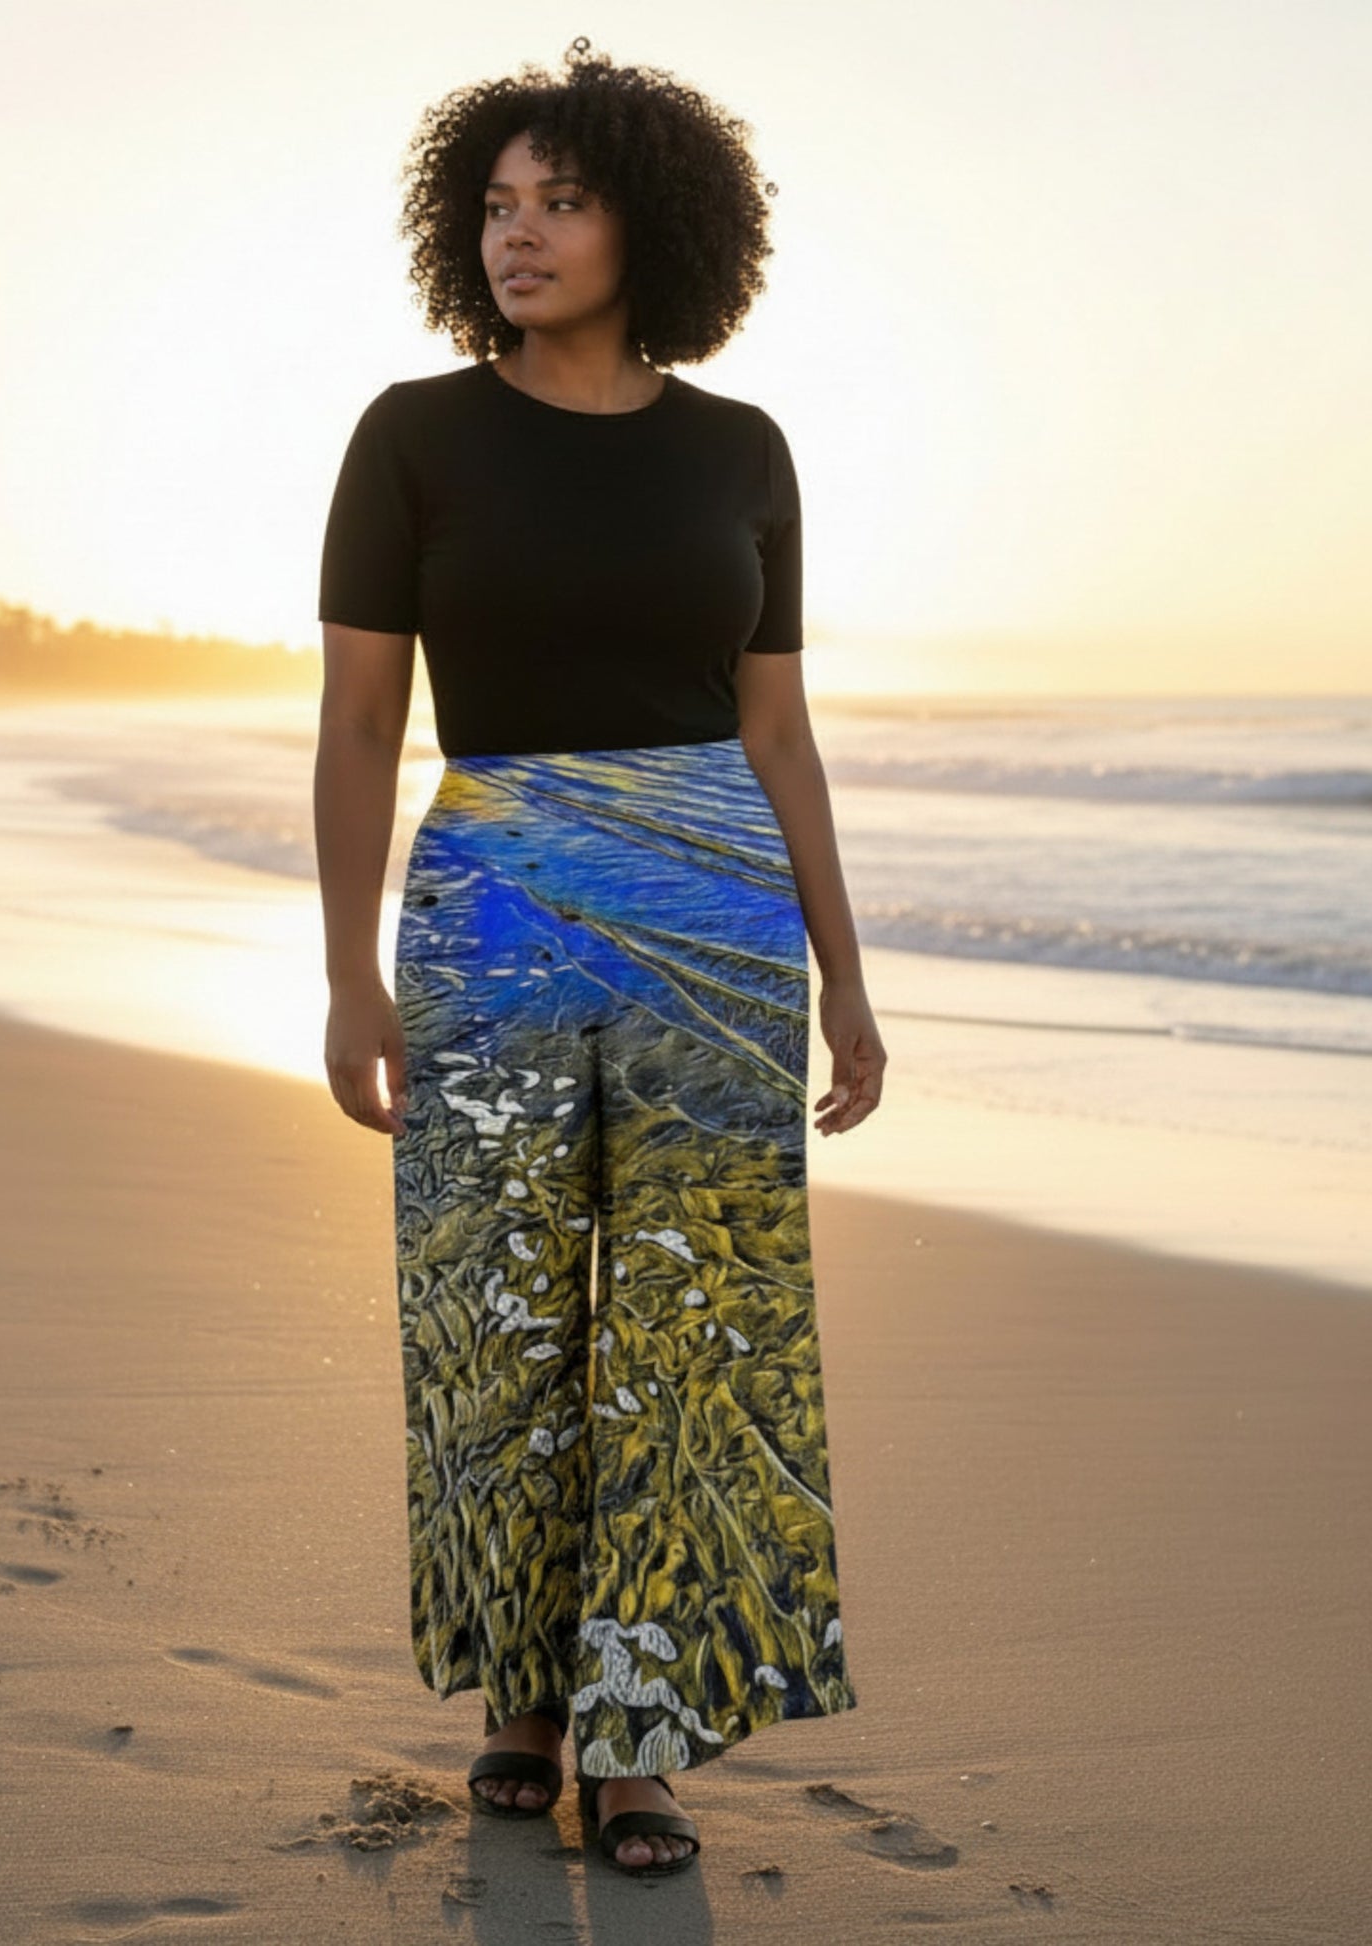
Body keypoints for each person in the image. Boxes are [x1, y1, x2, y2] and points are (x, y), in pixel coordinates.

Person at [313, 36, 886, 1879]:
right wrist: (346, 972)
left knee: (691, 1331)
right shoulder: (413, 434)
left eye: (561, 201)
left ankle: (643, 1736)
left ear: (657, 227)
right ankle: (517, 1694)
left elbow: (781, 734)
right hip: (487, 901)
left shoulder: (742, 453)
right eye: (496, 204)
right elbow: (352, 727)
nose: (520, 235)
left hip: (717, 918)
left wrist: (850, 973)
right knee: (492, 1313)